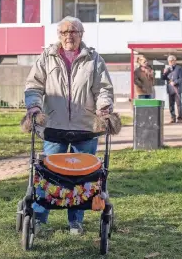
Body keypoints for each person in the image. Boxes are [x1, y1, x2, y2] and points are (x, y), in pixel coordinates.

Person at [23, 16, 114, 236]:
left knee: (82, 177)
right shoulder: (47, 57)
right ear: (58, 35)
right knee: (48, 175)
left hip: (85, 127)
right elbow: (33, 86)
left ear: (81, 34)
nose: (68, 36)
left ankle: (75, 222)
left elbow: (103, 89)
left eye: (73, 32)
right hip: (54, 126)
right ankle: (41, 220)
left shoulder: (93, 59)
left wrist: (104, 107)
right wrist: (34, 107)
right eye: (64, 32)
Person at [162, 55, 182, 123]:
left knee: (178, 105)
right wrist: (164, 72)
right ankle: (173, 118)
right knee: (171, 105)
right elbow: (163, 78)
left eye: (172, 60)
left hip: (177, 89)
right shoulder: (167, 69)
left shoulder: (179, 68)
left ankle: (180, 118)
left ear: (175, 61)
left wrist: (175, 82)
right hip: (170, 90)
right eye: (169, 61)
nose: (170, 62)